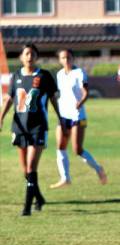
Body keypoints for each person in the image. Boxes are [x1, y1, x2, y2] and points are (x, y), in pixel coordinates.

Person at [0, 43, 60, 216]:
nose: (29, 56)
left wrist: (61, 118)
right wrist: (1, 117)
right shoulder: (17, 75)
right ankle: (39, 198)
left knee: (32, 168)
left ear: (36, 57)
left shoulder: (45, 76)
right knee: (25, 171)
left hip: (38, 127)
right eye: (26, 53)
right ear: (21, 57)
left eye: (33, 54)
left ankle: (27, 208)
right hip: (19, 127)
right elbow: (10, 99)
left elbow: (53, 99)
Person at [51, 48, 107, 189]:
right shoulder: (59, 74)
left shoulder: (79, 73)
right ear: (60, 60)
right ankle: (65, 177)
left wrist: (80, 103)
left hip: (77, 115)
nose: (66, 60)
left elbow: (86, 92)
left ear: (73, 58)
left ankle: (98, 169)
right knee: (60, 146)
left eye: (69, 57)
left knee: (77, 149)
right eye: (63, 58)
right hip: (63, 115)